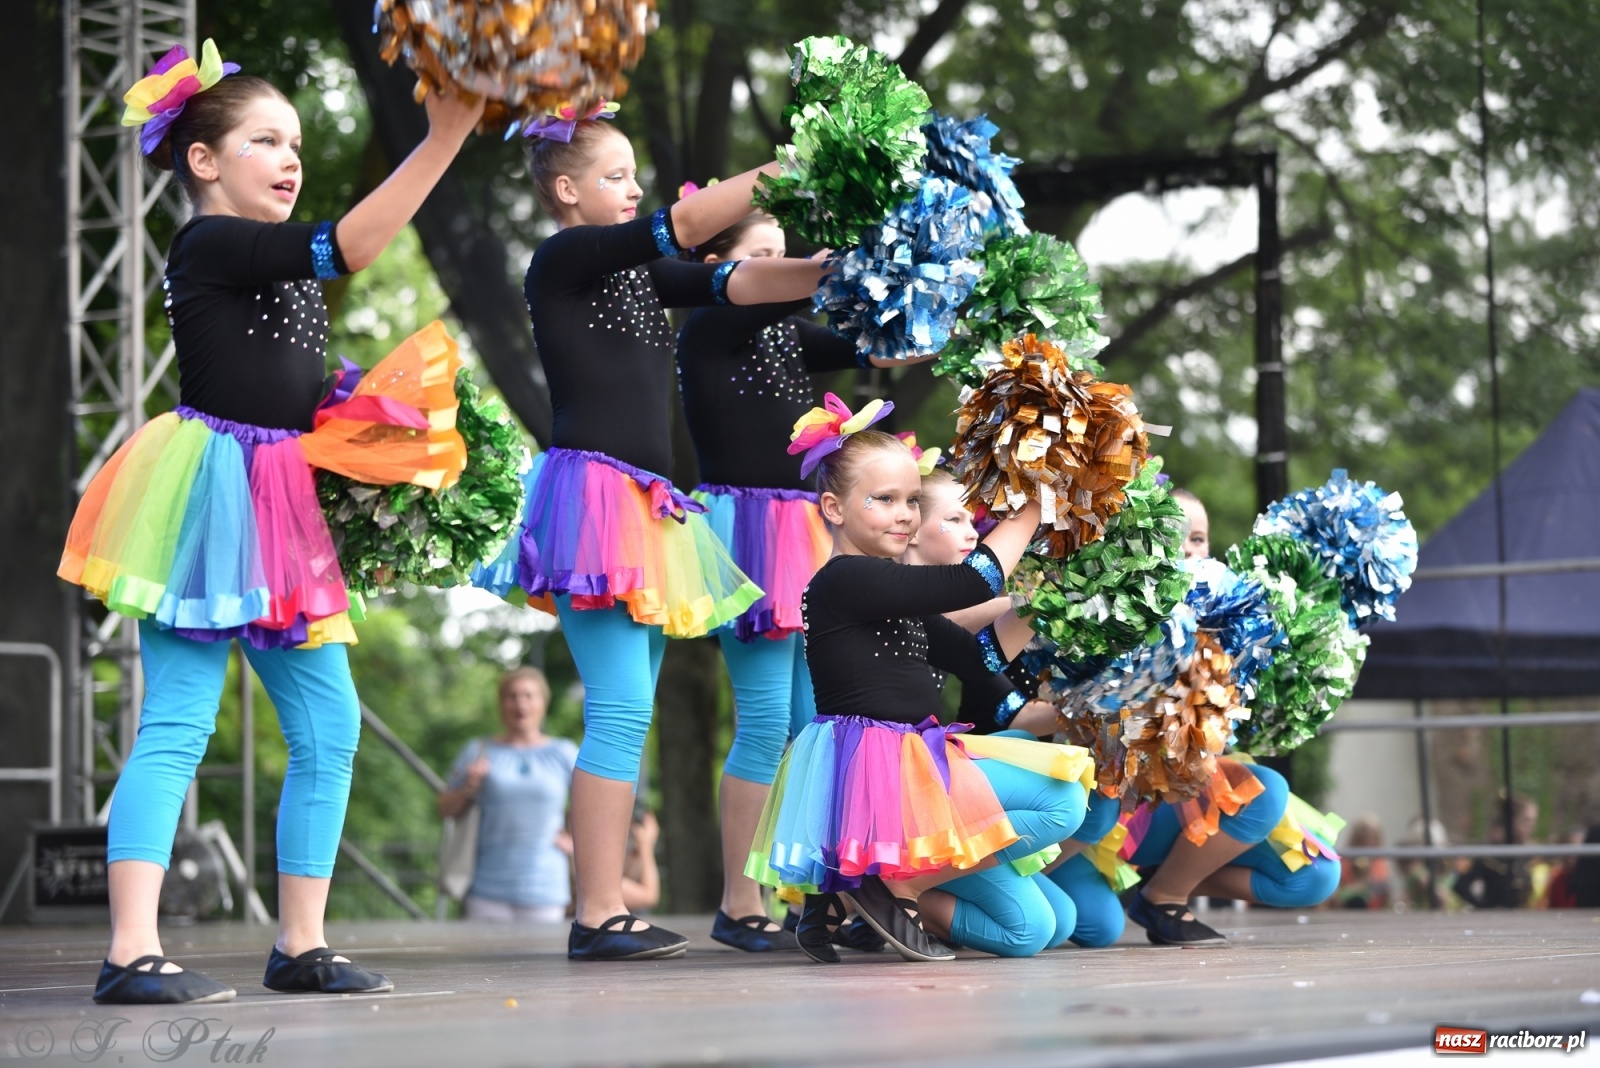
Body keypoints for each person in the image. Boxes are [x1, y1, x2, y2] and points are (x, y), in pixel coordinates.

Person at [58, 41, 485, 1003]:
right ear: (204, 162)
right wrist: (444, 136)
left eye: (295, 142)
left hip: (280, 507)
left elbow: (290, 375)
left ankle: (301, 943)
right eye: (265, 140)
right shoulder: (210, 241)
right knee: (177, 720)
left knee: (330, 727)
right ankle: (131, 951)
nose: (289, 158)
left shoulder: (267, 256)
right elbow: (355, 246)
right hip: (205, 495)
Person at [472, 108, 829, 961]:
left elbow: (737, 284)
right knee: (622, 708)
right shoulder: (565, 259)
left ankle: (607, 911)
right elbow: (680, 227)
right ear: (566, 191)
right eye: (615, 176)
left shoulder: (640, 276)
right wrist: (803, 159)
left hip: (648, 507)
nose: (634, 190)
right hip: (593, 496)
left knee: (628, 714)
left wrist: (840, 271)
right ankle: (596, 913)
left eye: (634, 177)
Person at [746, 413, 1091, 963]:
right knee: (1063, 799)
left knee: (1028, 931)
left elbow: (977, 655)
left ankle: (855, 896)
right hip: (886, 768)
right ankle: (894, 887)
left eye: (911, 500)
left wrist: (1058, 593)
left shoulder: (885, 588)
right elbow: (974, 580)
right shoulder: (845, 578)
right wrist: (1038, 502)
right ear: (834, 509)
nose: (904, 514)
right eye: (883, 499)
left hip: (917, 762)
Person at [438, 669, 577, 923]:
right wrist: (469, 785)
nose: (520, 703)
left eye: (528, 695)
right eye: (512, 696)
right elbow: (445, 809)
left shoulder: (564, 753)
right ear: (501, 704)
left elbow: (596, 807)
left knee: (546, 964)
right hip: (486, 890)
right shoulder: (478, 750)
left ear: (543, 703)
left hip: (546, 890)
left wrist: (577, 842)